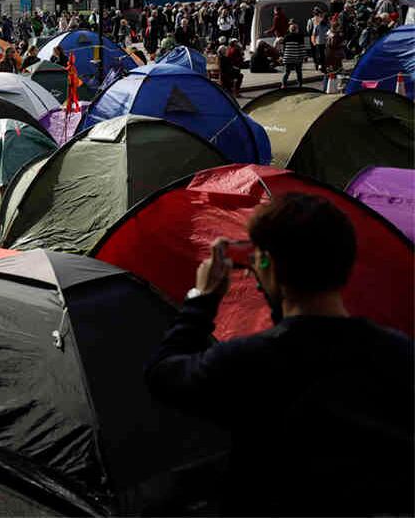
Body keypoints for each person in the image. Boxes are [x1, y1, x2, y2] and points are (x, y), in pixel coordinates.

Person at [145, 193, 413, 517]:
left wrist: (201, 300)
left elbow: (163, 374)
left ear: (268, 265)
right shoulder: (401, 354)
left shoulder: (247, 362)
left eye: (257, 260)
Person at [280, 21, 306, 87]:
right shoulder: (299, 37)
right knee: (298, 72)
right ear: (296, 29)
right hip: (296, 58)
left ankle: (283, 84)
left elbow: (283, 48)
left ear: (290, 29)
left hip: (287, 58)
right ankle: (300, 84)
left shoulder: (286, 37)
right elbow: (302, 48)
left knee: (287, 72)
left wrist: (282, 56)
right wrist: (304, 57)